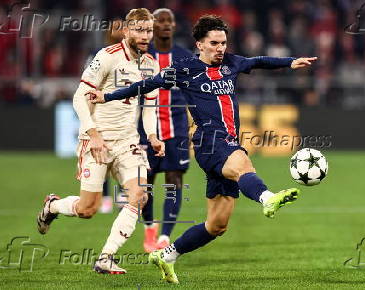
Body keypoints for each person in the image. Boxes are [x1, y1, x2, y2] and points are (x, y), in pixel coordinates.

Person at [88, 15, 317, 283]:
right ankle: (267, 198)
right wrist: (108, 96)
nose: (221, 48)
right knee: (243, 163)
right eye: (215, 43)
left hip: (228, 140)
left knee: (217, 225)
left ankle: (168, 255)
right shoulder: (185, 69)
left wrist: (290, 62)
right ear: (200, 44)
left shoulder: (232, 62)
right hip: (210, 141)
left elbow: (258, 61)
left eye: (223, 42)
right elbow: (146, 85)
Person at [36, 8, 165, 274]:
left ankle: (106, 257)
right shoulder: (107, 57)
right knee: (87, 209)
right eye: (139, 30)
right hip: (98, 140)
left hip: (128, 141)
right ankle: (53, 206)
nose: (145, 35)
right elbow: (79, 96)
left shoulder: (152, 64)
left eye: (149, 30)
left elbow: (150, 105)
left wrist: (152, 135)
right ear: (127, 30)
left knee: (139, 194)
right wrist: (93, 133)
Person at [139, 8, 194, 253]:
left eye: (169, 20)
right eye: (159, 20)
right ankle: (149, 228)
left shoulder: (184, 57)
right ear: (152, 25)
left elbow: (194, 92)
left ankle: (164, 236)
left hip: (177, 129)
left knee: (174, 180)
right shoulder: (141, 54)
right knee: (146, 183)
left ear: (174, 25)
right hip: (146, 130)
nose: (165, 24)